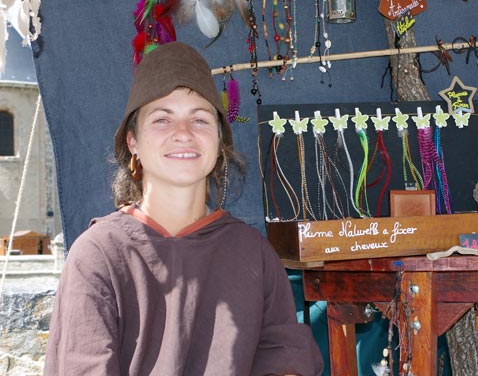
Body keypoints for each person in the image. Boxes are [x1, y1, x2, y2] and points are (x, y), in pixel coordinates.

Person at [44, 42, 324, 376]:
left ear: (219, 141)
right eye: (162, 119)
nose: (183, 134)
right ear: (133, 141)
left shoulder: (253, 253)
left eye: (200, 120)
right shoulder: (98, 255)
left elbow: (285, 360)